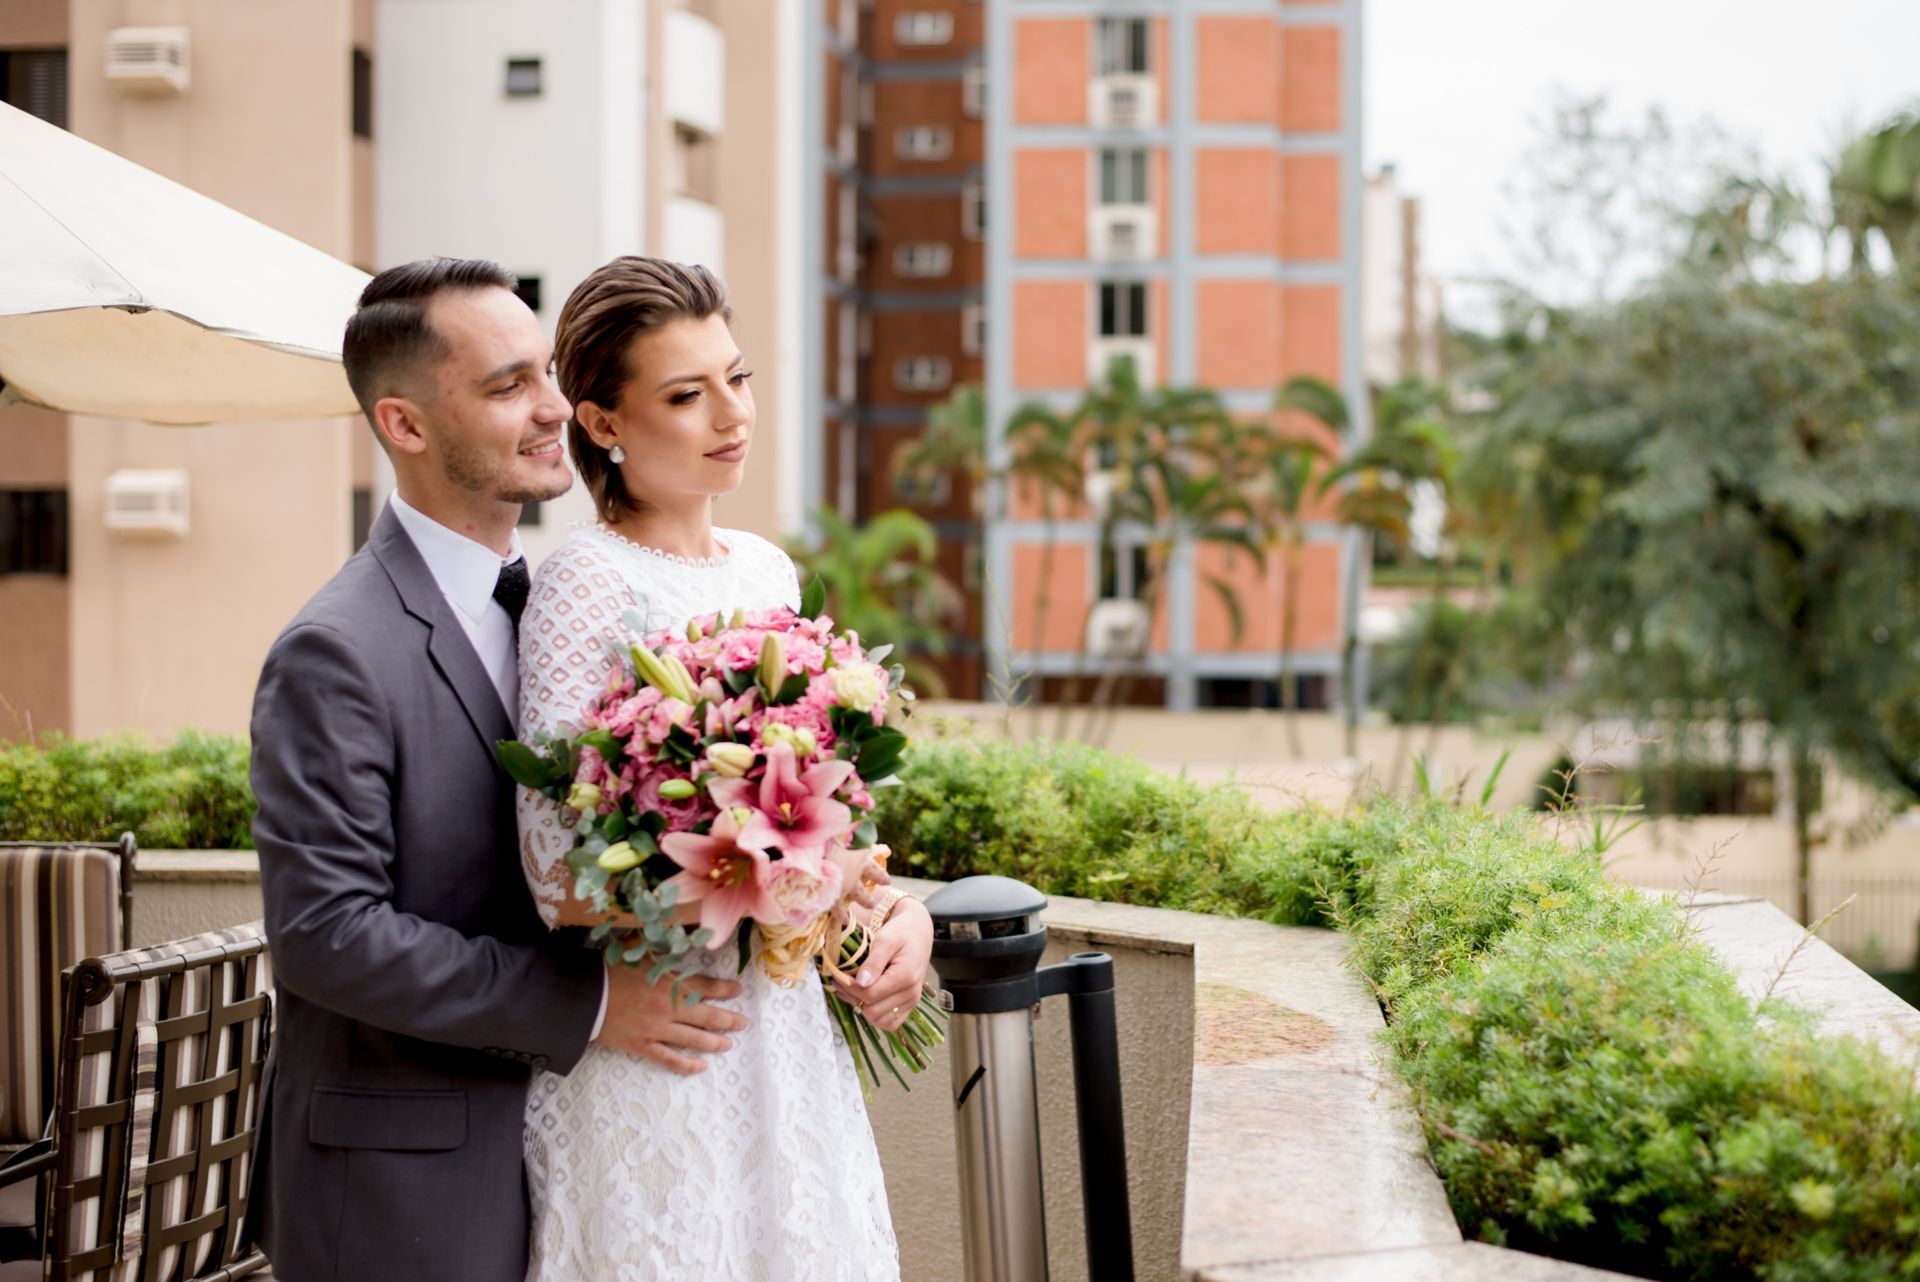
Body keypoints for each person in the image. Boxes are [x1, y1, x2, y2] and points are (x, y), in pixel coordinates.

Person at [246, 259, 749, 1282]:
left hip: (580, 1156)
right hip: (403, 1188)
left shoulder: (567, 603)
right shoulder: (336, 651)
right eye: (509, 385)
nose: (554, 407)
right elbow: (326, 936)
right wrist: (592, 1005)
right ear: (405, 424)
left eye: (547, 374)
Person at [516, 255, 932, 1280]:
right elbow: (555, 874)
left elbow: (830, 818)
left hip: (786, 1044)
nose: (731, 413)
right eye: (685, 395)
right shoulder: (580, 581)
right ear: (602, 422)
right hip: (664, 1048)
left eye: (735, 378)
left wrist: (888, 908)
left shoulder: (765, 567)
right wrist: (800, 878)